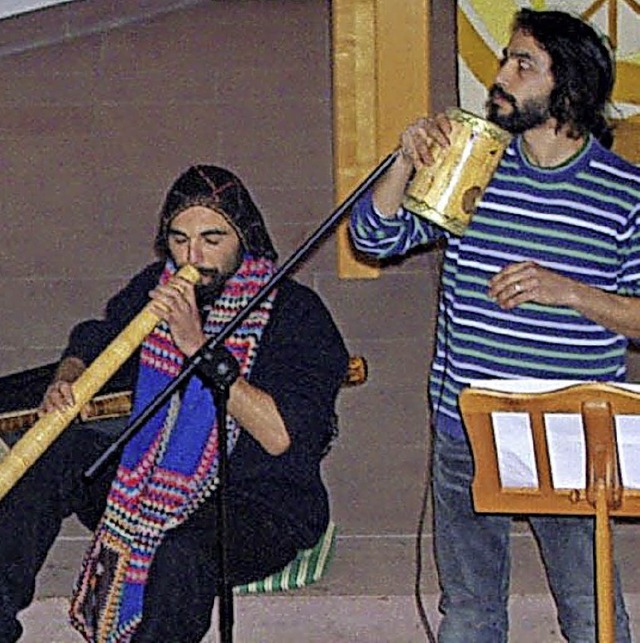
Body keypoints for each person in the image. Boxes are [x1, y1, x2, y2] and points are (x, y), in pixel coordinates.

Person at [349, 8, 640, 643]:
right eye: (505, 59)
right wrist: (403, 161)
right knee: (471, 615)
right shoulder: (472, 164)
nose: (500, 76)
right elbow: (374, 238)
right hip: (466, 425)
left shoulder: (626, 193)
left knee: (592, 617)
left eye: (522, 64)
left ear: (569, 88)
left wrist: (570, 292)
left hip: (570, 434)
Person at [0, 164, 349, 642]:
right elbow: (99, 334)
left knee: (179, 551)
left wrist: (199, 347)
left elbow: (279, 436)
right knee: (50, 457)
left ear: (244, 237)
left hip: (257, 501)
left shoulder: (295, 312)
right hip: (148, 483)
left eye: (212, 238)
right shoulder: (159, 286)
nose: (193, 255)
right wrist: (69, 374)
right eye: (179, 239)